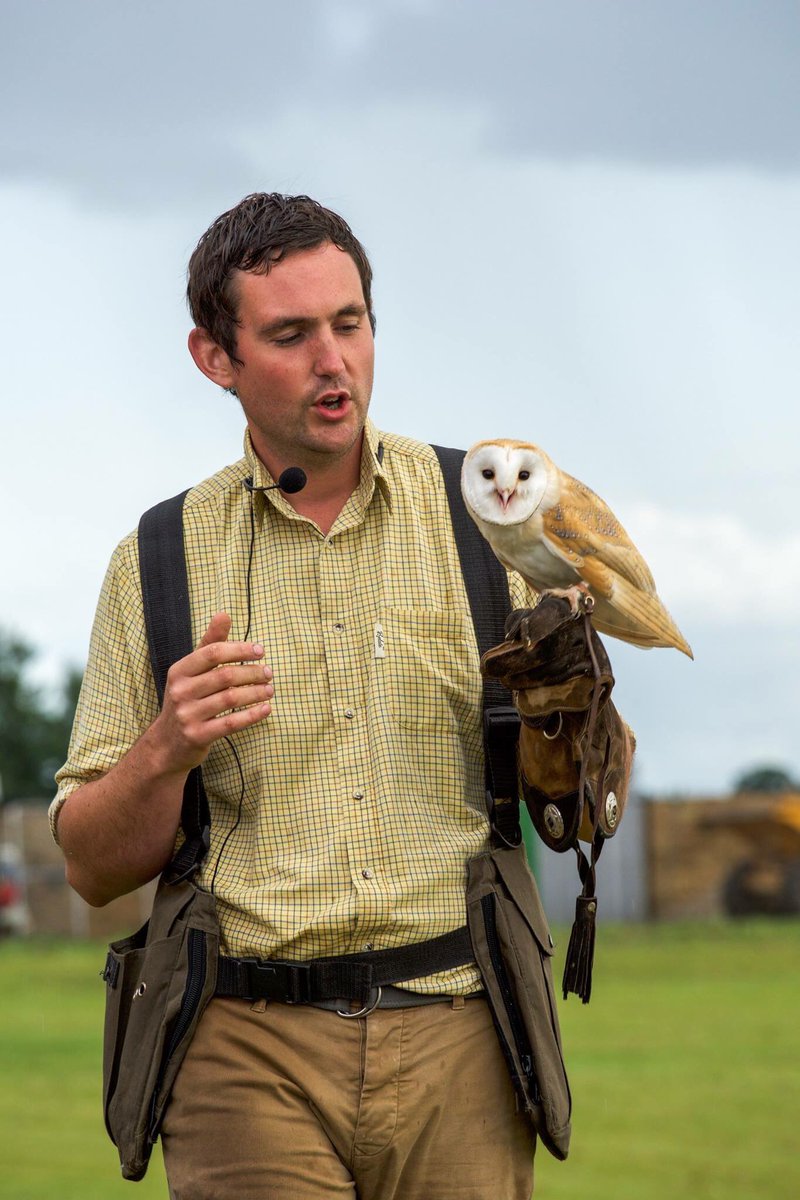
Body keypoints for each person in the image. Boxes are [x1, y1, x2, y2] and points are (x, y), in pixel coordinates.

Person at [51, 192, 631, 1199]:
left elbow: (590, 805)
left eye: (349, 324)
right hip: (243, 1048)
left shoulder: (487, 515)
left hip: (464, 1035)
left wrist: (575, 715)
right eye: (288, 334)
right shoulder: (155, 561)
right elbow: (94, 871)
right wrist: (164, 750)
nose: (332, 361)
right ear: (213, 358)